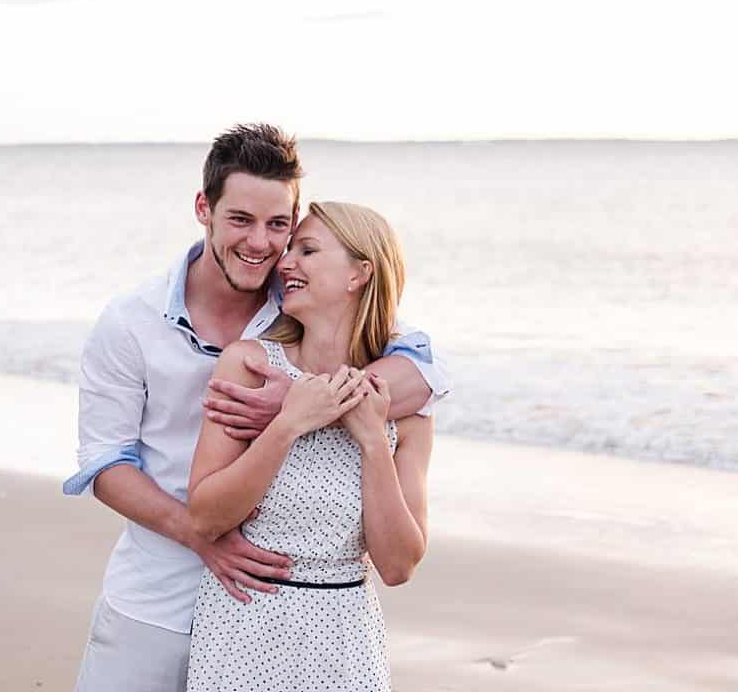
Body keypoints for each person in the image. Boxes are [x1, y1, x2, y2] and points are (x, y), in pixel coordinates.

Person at [65, 125, 450, 692]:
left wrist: (312, 397)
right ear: (205, 209)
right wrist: (200, 535)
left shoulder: (302, 298)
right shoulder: (130, 322)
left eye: (280, 226)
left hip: (295, 620)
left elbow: (426, 374)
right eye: (241, 220)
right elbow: (104, 464)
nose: (262, 245)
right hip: (159, 599)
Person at [185, 201, 432, 691]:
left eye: (308, 250)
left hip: (345, 644)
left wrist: (371, 442)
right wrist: (286, 424)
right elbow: (206, 517)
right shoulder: (249, 366)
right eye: (290, 249)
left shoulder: (404, 400)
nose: (285, 262)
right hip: (242, 630)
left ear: (359, 273)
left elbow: (399, 565)